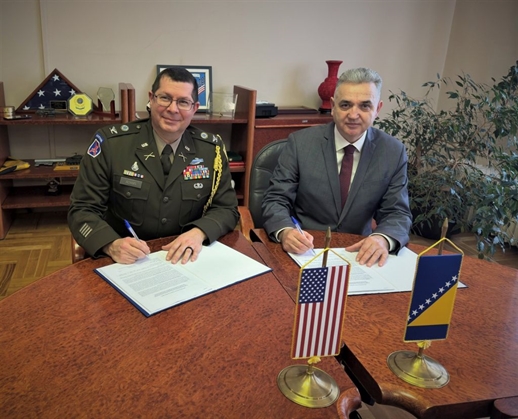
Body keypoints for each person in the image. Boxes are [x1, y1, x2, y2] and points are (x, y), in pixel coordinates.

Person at [68, 67, 239, 265]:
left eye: (183, 102)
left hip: (186, 259)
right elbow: (82, 209)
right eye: (165, 98)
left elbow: (227, 208)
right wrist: (110, 244)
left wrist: (199, 233)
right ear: (151, 98)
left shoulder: (211, 150)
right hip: (123, 260)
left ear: (195, 108)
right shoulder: (111, 144)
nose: (173, 109)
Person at [262, 67, 412, 267]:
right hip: (305, 250)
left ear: (377, 109)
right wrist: (285, 231)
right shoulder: (301, 144)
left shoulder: (392, 152)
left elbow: (397, 212)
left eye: (365, 106)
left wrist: (383, 239)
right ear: (333, 106)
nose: (353, 114)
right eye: (345, 105)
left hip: (359, 254)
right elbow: (276, 199)